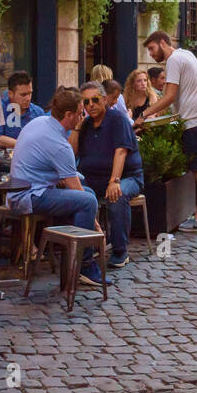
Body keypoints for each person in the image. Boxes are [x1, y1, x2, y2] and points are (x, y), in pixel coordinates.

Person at [139, 30, 197, 233]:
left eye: (152, 49)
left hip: (193, 123)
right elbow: (173, 96)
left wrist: (145, 114)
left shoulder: (173, 60)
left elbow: (170, 95)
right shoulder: (187, 54)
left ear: (163, 43)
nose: (151, 54)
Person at [9, 88, 105, 285]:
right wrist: (96, 228)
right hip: (29, 196)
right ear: (68, 115)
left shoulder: (40, 122)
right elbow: (75, 188)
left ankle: (72, 257)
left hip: (23, 189)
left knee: (88, 193)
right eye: (80, 112)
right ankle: (83, 265)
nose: (83, 116)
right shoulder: (59, 145)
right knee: (87, 200)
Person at [73, 81, 144, 267]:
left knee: (116, 195)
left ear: (104, 100)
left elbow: (120, 152)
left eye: (95, 100)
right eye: (86, 102)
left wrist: (114, 181)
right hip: (94, 179)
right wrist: (77, 127)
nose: (91, 105)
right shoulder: (86, 124)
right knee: (74, 195)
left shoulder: (117, 119)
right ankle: (86, 248)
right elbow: (72, 153)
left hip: (127, 176)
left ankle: (120, 251)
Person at [0, 71, 45, 149]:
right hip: (2, 159)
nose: (28, 98)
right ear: (10, 94)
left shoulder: (38, 112)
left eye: (30, 93)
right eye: (23, 95)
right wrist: (25, 145)